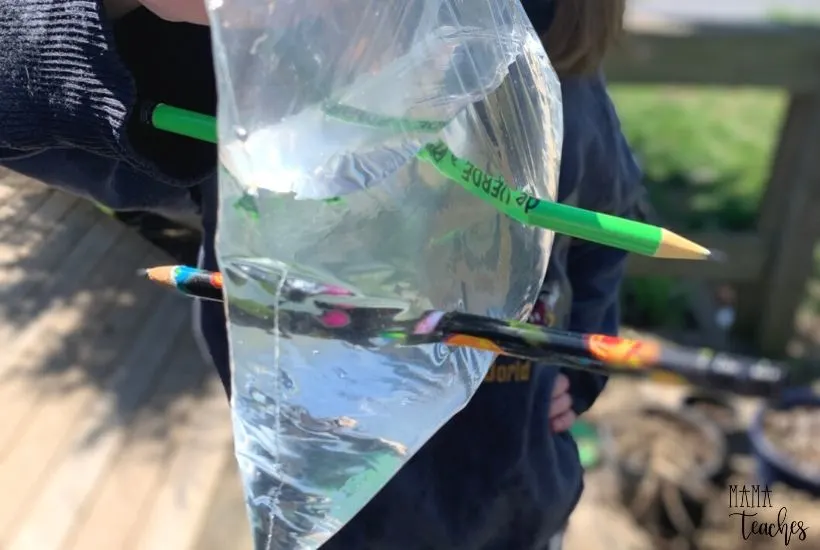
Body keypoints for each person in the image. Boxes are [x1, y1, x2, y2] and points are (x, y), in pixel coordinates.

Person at [0, 0, 640, 548]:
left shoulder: (572, 94)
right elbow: (104, 143)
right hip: (342, 501)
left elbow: (605, 240)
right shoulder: (285, 85)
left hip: (518, 490)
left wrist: (584, 366)